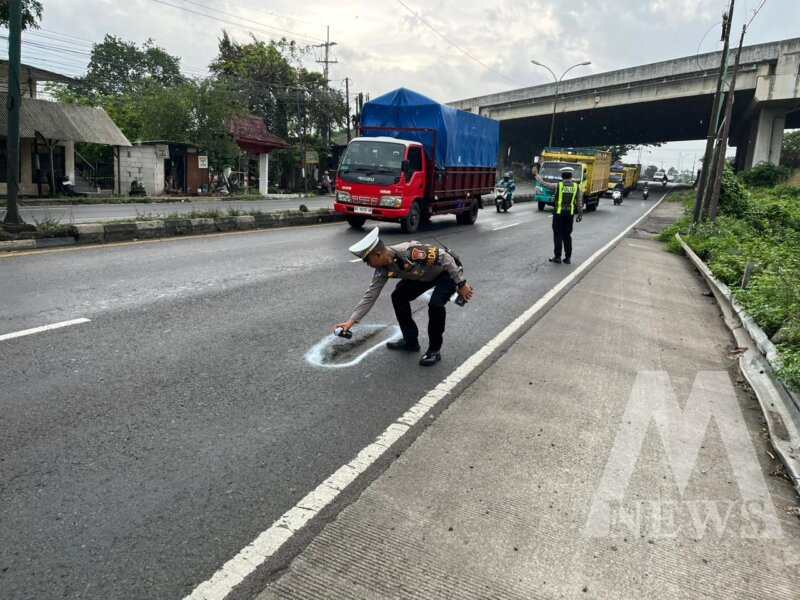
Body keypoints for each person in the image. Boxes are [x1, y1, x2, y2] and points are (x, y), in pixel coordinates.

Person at [334, 227, 473, 366]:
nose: (368, 264)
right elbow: (371, 295)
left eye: (367, 260)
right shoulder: (382, 269)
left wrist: (461, 284)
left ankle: (434, 350)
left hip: (445, 273)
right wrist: (351, 321)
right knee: (398, 296)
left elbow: (445, 257)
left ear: (377, 254)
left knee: (435, 304)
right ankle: (410, 341)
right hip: (423, 277)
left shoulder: (410, 252)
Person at [534, 165, 583, 264]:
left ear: (562, 176)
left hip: (559, 214)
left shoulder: (558, 185)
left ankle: (558, 257)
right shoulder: (576, 186)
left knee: (558, 235)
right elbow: (579, 202)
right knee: (567, 236)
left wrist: (536, 175)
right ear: (571, 176)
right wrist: (580, 214)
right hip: (570, 215)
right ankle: (568, 258)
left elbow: (544, 184)